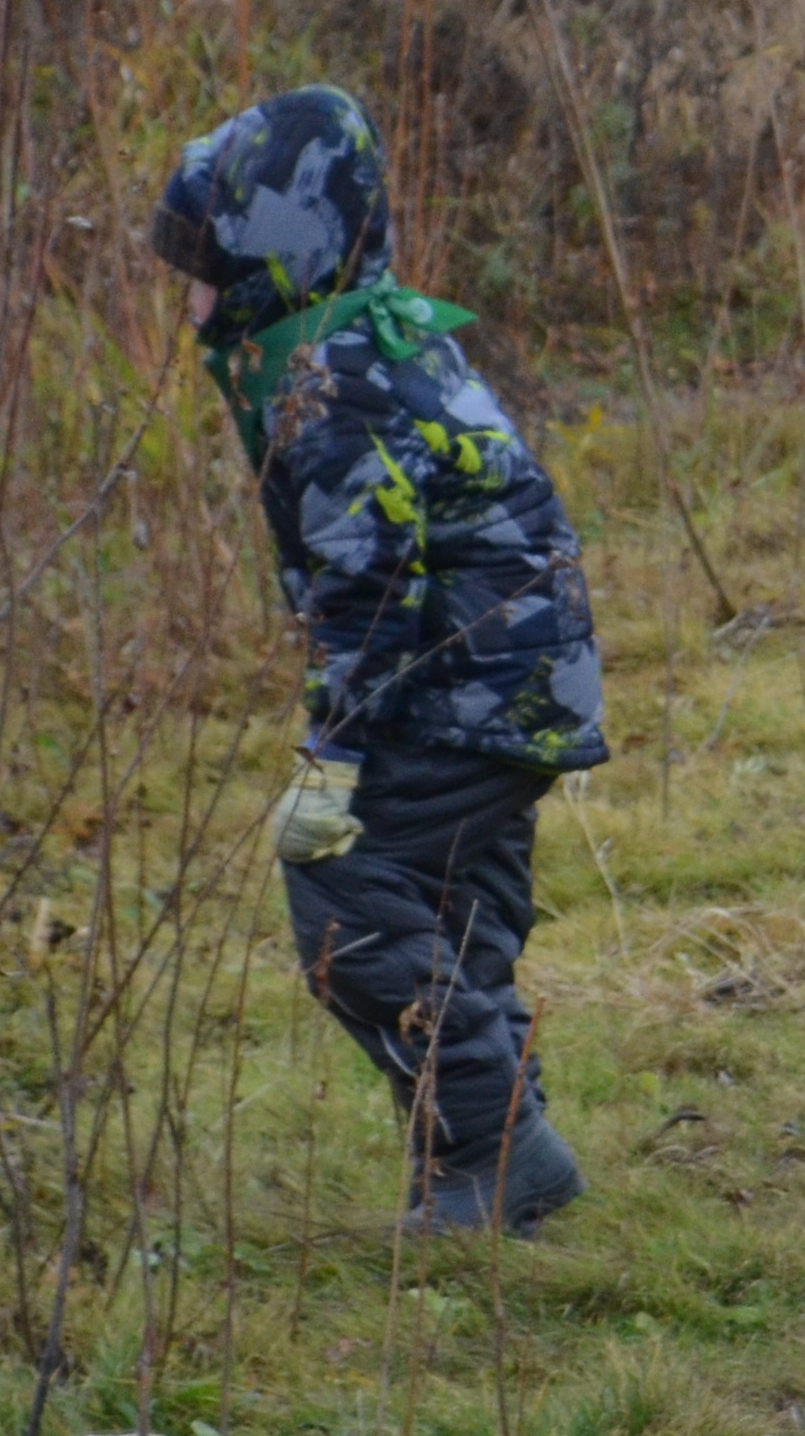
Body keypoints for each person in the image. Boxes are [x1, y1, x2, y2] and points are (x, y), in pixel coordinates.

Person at [149, 85, 608, 1235]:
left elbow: (369, 590)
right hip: (513, 686)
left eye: (204, 269)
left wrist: (330, 762)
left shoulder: (328, 385)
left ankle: (490, 1152)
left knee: (345, 892)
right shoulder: (363, 338)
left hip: (462, 690)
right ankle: (502, 1142)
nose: (191, 300)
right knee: (456, 909)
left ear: (274, 259)